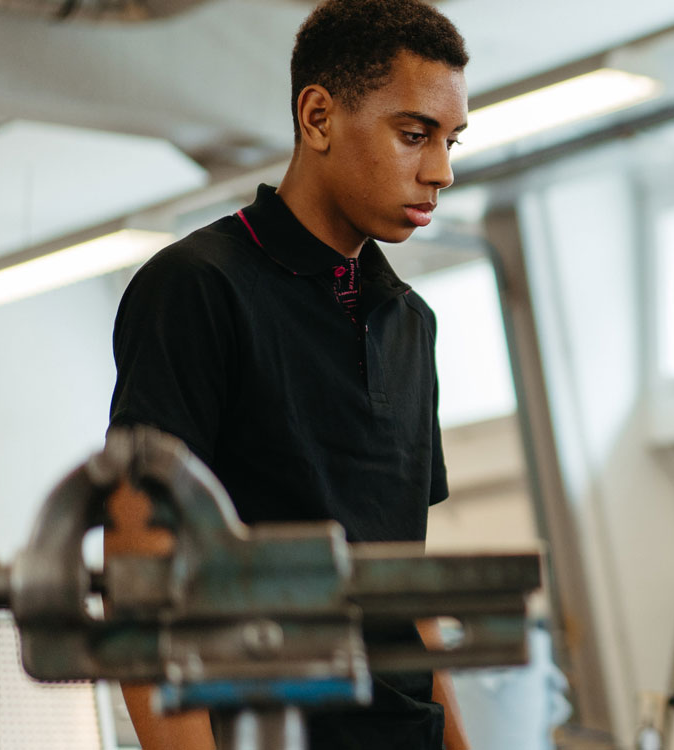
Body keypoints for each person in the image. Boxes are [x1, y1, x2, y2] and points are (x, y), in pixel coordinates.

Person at [104, 1, 471, 747]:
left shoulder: (410, 323)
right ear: (317, 116)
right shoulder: (196, 289)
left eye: (451, 140)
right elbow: (138, 582)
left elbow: (406, 590)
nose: (442, 170)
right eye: (414, 135)